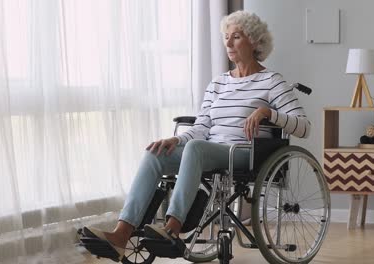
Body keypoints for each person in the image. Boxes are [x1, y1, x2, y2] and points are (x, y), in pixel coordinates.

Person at [82, 10, 310, 260]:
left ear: (255, 41)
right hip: (208, 151)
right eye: (226, 37)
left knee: (196, 148)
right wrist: (176, 140)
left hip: (246, 153)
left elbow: (303, 126)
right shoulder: (218, 83)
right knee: (156, 153)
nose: (228, 43)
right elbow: (202, 127)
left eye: (236, 37)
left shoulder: (271, 81)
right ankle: (121, 235)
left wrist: (268, 113)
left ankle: (172, 229)